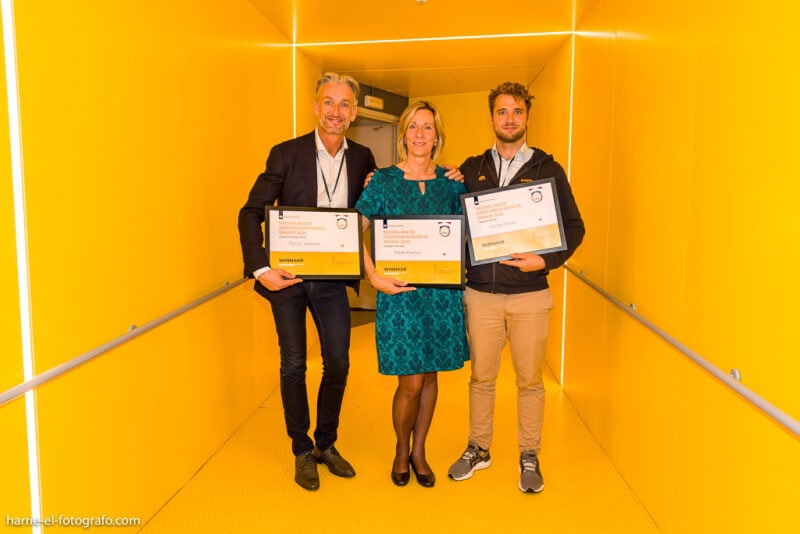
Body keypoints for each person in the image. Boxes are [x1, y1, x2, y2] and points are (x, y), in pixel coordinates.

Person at [237, 72, 376, 491]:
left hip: (332, 280)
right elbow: (250, 212)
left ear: (354, 112)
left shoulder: (363, 158)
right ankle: (301, 449)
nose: (336, 111)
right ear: (316, 107)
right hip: (288, 279)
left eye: (344, 104)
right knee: (294, 364)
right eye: (328, 102)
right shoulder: (286, 153)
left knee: (339, 363)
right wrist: (261, 269)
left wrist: (447, 175)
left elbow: (375, 203)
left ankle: (325, 444)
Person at [447, 82, 585, 494]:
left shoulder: (548, 169)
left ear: (527, 117)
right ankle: (479, 448)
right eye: (502, 111)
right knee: (481, 378)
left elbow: (575, 226)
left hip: (530, 296)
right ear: (491, 117)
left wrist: (545, 260)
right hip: (481, 296)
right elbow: (447, 212)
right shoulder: (471, 169)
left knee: (530, 381)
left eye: (517, 111)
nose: (510, 119)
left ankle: (529, 454)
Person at [355, 101, 469, 488]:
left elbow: (467, 232)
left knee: (431, 376)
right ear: (403, 134)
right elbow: (352, 230)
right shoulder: (382, 181)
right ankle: (401, 448)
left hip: (441, 297)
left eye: (427, 127)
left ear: (437, 136)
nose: (420, 134)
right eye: (413, 127)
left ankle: (420, 451)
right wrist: (373, 275)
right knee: (411, 383)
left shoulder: (452, 183)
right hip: (399, 296)